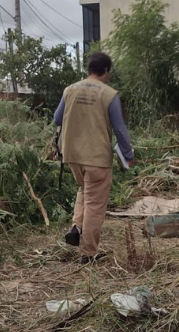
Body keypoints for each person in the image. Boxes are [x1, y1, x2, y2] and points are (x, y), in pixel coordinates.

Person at [53, 51, 134, 264]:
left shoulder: (69, 90)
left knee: (84, 190)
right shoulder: (108, 94)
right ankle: (89, 253)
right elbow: (120, 128)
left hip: (72, 155)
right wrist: (128, 155)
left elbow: (57, 118)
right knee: (96, 203)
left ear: (89, 70)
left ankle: (77, 226)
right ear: (106, 70)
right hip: (96, 156)